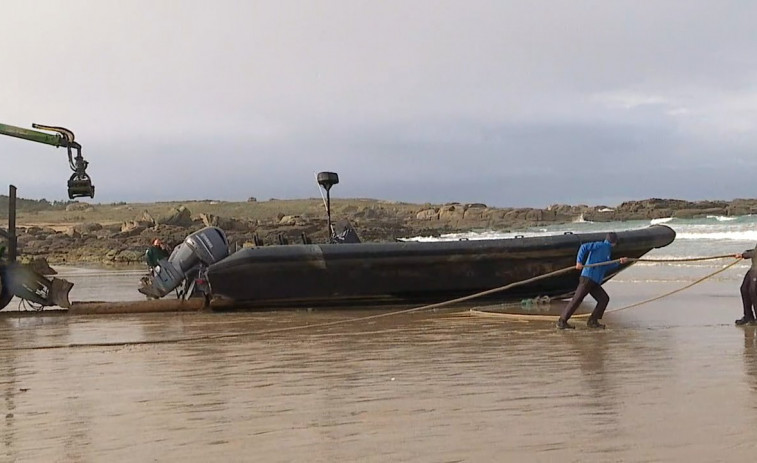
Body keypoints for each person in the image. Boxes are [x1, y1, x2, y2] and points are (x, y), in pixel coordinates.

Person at [557, 232, 629, 330]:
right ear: (614, 242)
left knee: (603, 299)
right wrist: (579, 262)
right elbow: (583, 247)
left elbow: (606, 266)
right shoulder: (600, 245)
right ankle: (562, 321)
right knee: (577, 299)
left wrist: (619, 262)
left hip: (594, 282)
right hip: (587, 278)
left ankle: (592, 321)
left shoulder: (607, 251)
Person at [735, 245, 757, 325]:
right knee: (744, 289)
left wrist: (743, 255)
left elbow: (755, 253)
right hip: (753, 268)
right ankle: (748, 316)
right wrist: (746, 252)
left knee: (753, 292)